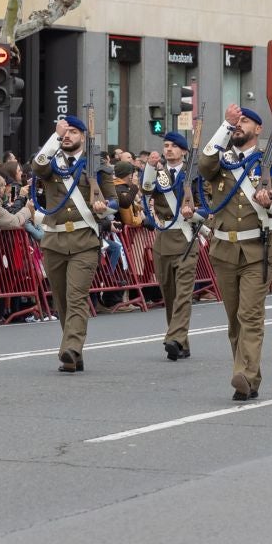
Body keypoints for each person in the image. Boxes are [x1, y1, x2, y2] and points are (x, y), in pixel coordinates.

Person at [199, 104, 272, 400]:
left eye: (245, 122)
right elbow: (204, 165)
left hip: (257, 249)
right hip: (225, 249)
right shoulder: (221, 161)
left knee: (250, 315)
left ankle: (243, 373)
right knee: (234, 319)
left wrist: (271, 203)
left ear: (258, 130)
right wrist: (224, 126)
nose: (239, 125)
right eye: (236, 122)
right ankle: (249, 375)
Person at [30, 115, 122, 373]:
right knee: (61, 300)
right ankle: (74, 350)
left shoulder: (97, 164)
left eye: (72, 131)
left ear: (83, 136)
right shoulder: (53, 162)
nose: (67, 135)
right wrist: (54, 138)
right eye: (64, 132)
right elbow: (37, 168)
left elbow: (116, 202)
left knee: (76, 296)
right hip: (54, 239)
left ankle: (71, 347)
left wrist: (104, 206)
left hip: (84, 239)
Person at [143, 131, 201, 361]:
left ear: (184, 151)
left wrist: (196, 212)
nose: (168, 149)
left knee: (183, 294)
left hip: (186, 236)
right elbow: (147, 189)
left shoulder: (194, 173)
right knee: (169, 293)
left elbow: (206, 201)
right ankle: (181, 342)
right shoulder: (159, 173)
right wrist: (149, 166)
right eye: (166, 145)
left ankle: (174, 337)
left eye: (174, 146)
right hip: (164, 237)